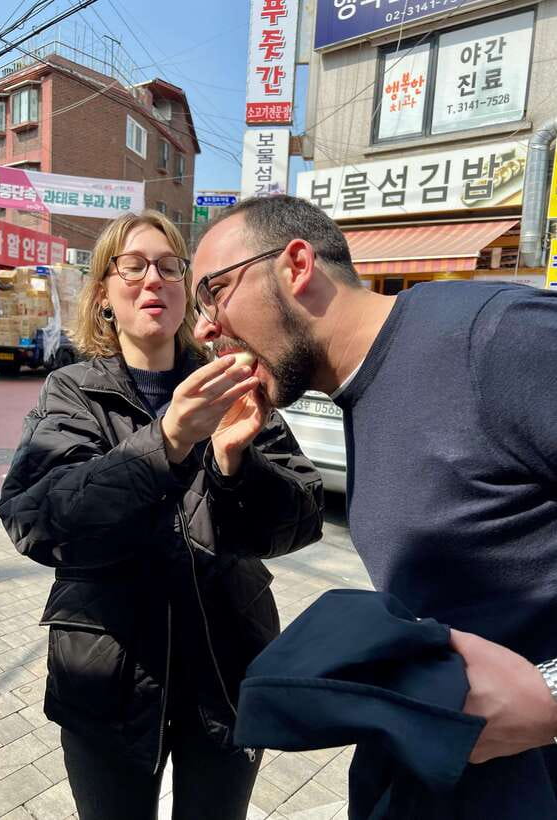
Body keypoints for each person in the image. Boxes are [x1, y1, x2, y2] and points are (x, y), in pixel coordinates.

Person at [191, 194, 557, 817]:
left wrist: (552, 694)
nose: (203, 327)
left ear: (296, 265)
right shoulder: (360, 389)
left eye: (214, 291)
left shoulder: (497, 333)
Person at [0, 209, 323, 820]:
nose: (155, 280)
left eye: (172, 268)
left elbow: (302, 515)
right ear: (102, 295)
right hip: (109, 676)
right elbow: (37, 519)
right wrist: (165, 443)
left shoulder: (228, 380)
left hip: (227, 673)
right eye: (135, 266)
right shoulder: (71, 392)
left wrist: (234, 462)